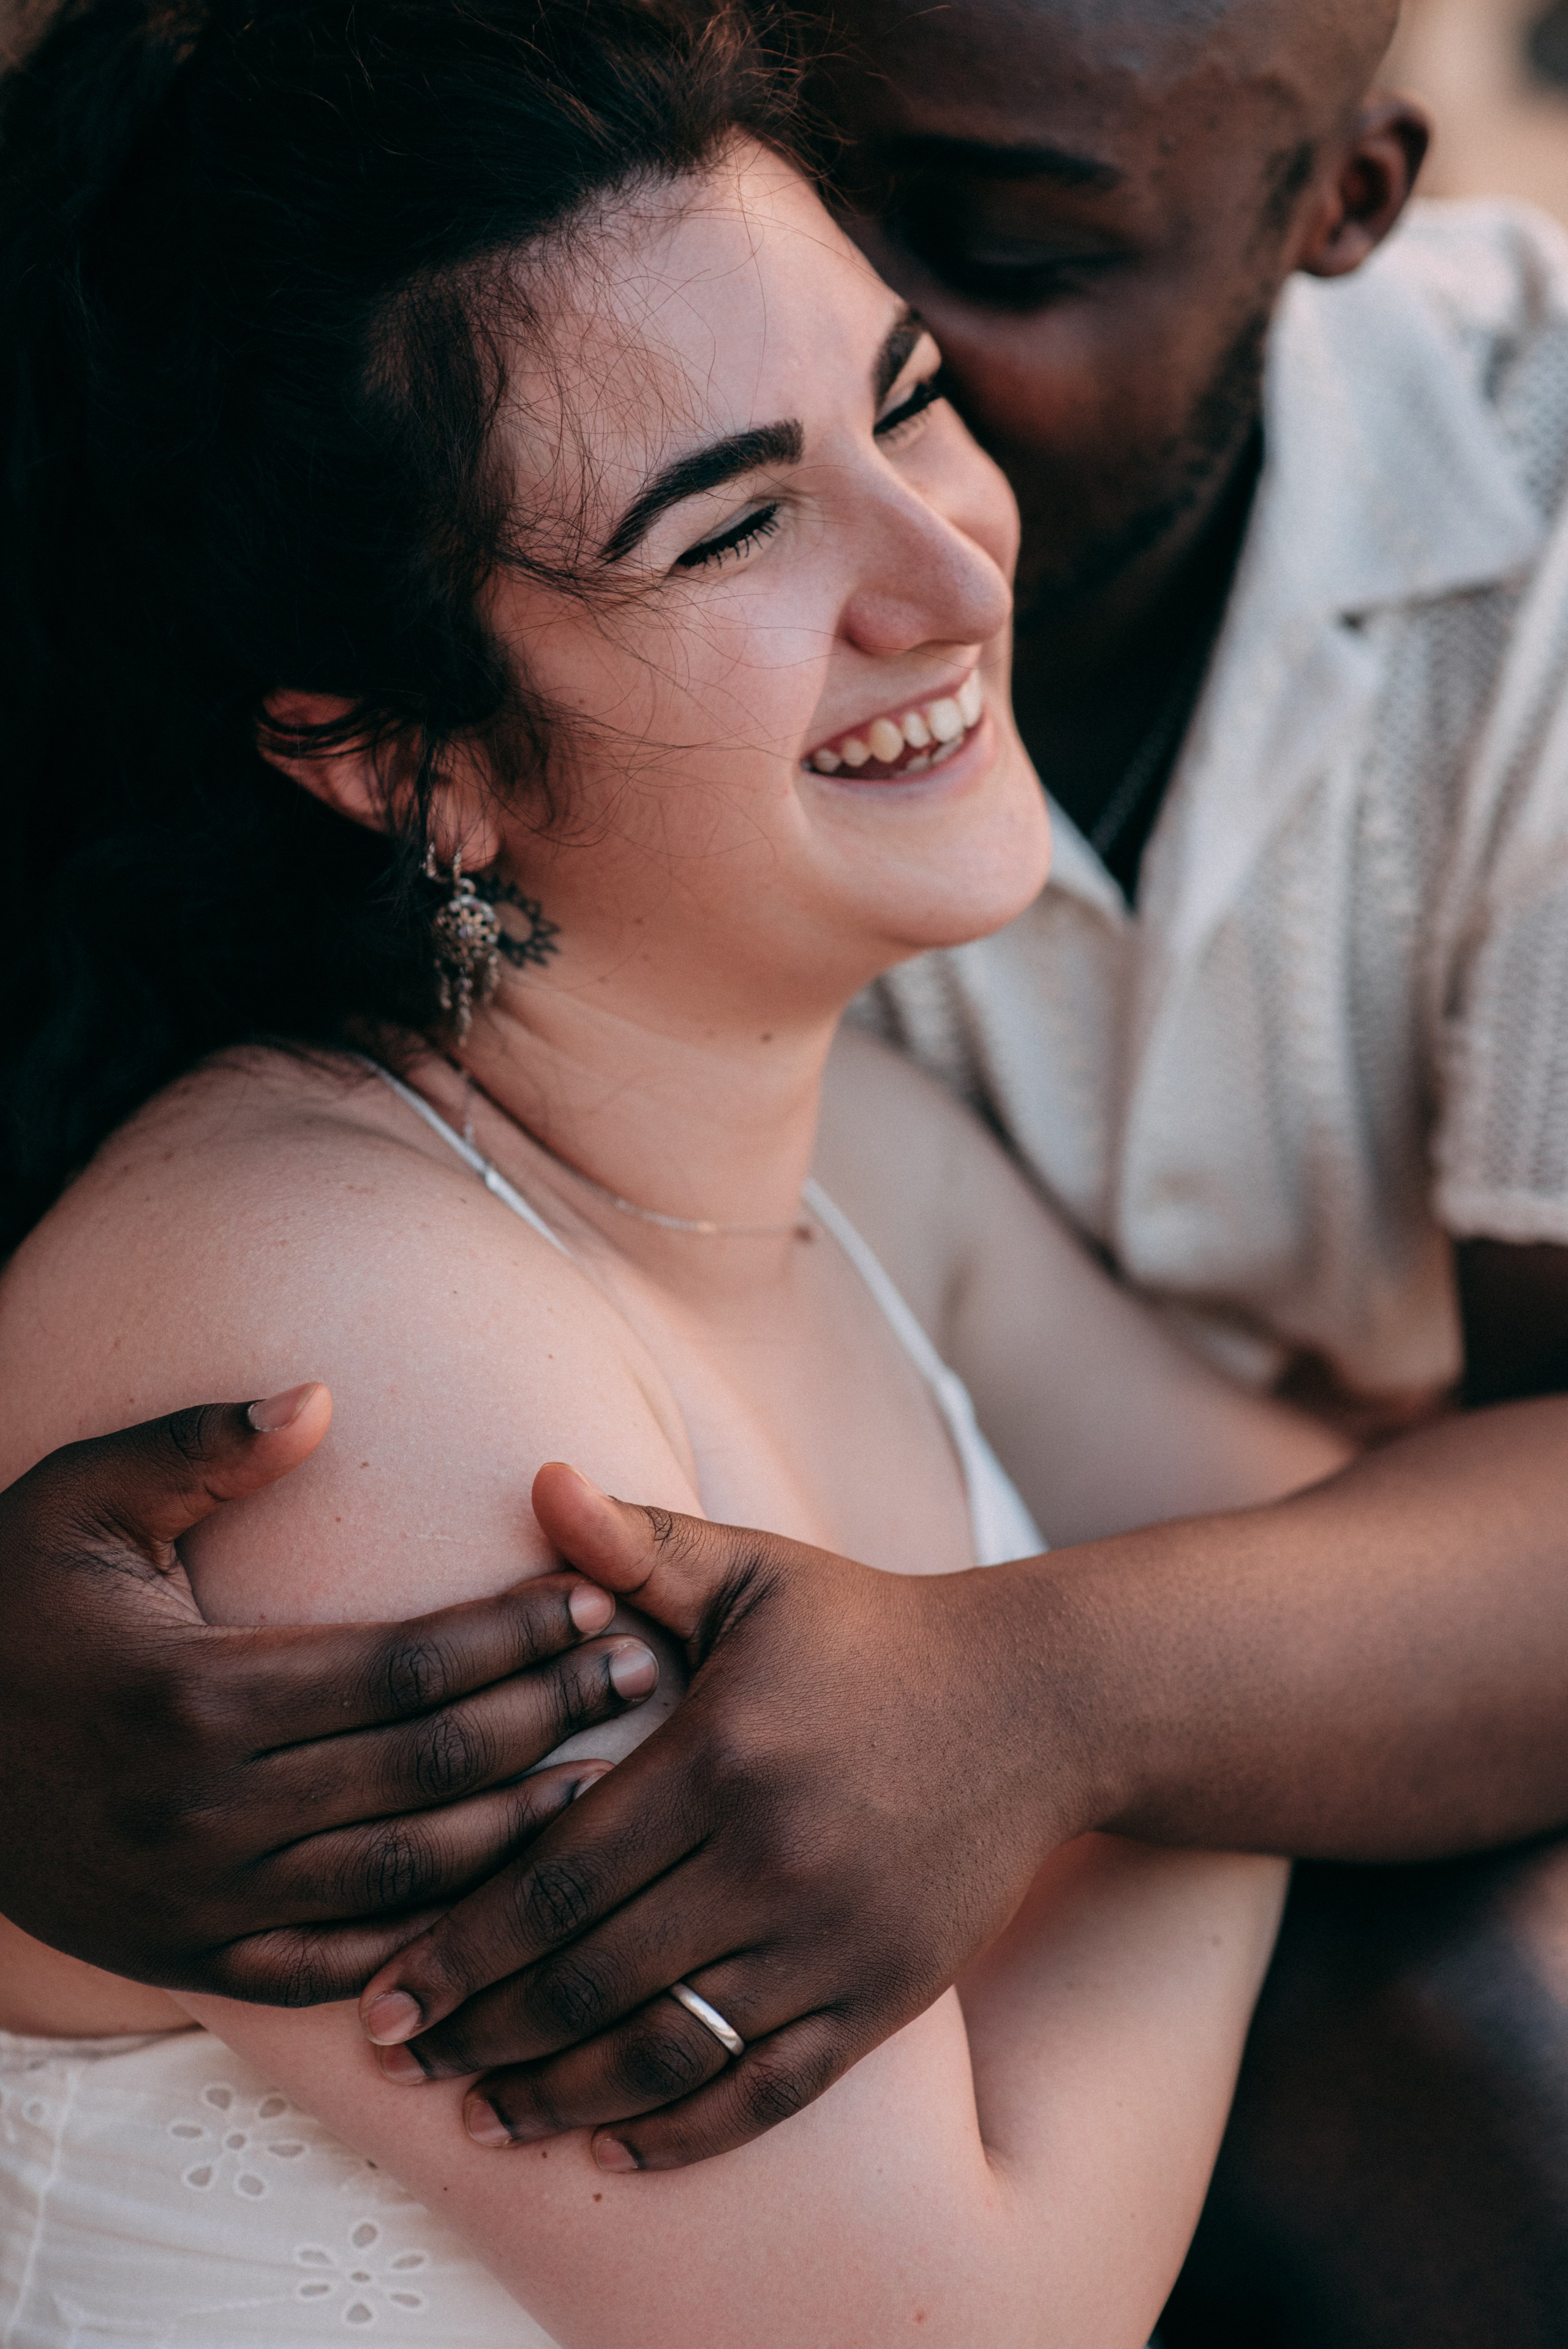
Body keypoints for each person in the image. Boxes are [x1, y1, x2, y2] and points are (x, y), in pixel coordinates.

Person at [6, 0, 1568, 2335]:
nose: (949, 566)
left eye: (906, 397)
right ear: (397, 753)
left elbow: (1345, 1557)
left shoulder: (856, 1164)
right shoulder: (326, 1370)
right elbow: (973, 2316)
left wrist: (1071, 1711)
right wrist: (1190, 1754)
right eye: (735, 520)